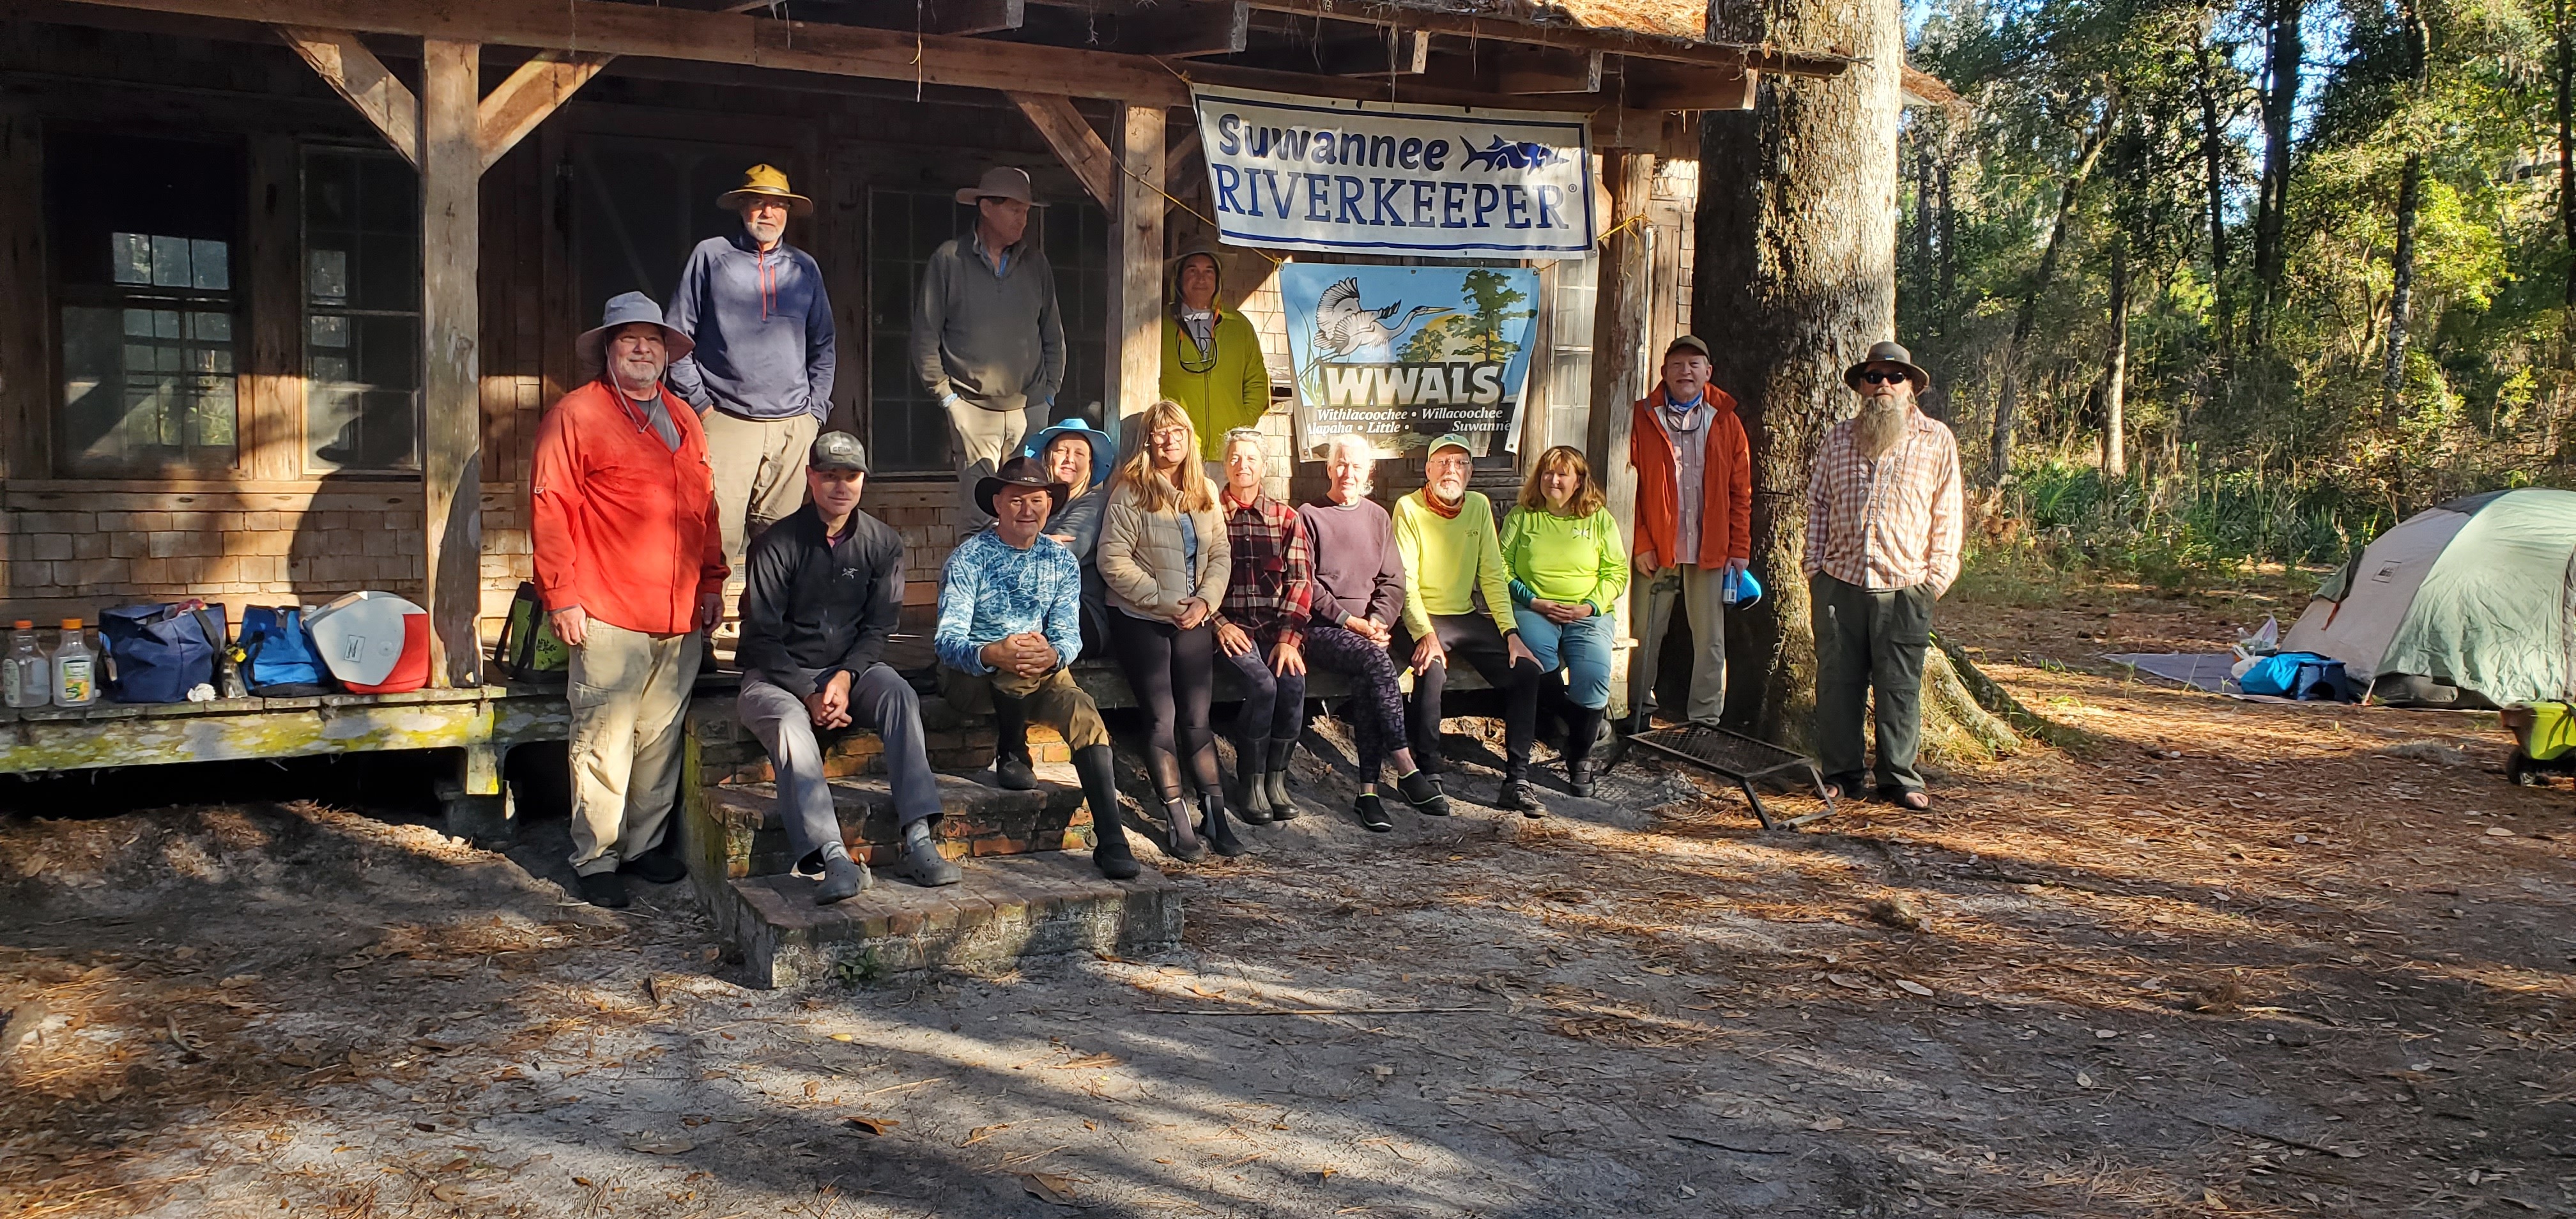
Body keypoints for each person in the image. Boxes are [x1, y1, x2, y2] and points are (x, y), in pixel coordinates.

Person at [531, 292, 728, 908]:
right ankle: (596, 858)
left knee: (658, 740)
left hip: (678, 612)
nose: (643, 350)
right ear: (609, 350)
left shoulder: (685, 418)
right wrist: (561, 597)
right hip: (607, 609)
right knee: (603, 739)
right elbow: (550, 505)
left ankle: (642, 848)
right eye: (629, 339)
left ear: (668, 352)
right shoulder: (577, 414)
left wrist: (714, 581)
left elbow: (706, 509)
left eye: (653, 340)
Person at [735, 432, 960, 903]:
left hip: (848, 671)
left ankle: (918, 837)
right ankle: (832, 856)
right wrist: (807, 691)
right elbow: (762, 636)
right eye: (830, 475)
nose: (841, 486)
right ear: (811, 478)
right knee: (793, 724)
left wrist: (844, 677)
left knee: (899, 693)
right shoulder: (776, 543)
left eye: (851, 476)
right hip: (775, 676)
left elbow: (880, 628)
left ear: (863, 481)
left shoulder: (882, 543)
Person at [934, 456, 1140, 880]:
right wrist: (993, 652)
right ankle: (1012, 749)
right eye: (1016, 500)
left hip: (1042, 670)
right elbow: (947, 642)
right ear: (997, 503)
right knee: (1014, 661)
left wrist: (1053, 654)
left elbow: (1069, 634)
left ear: (1050, 504)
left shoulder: (1060, 561)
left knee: (1083, 710)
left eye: (1037, 500)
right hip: (973, 677)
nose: (1028, 509)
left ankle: (1112, 837)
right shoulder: (968, 559)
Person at [1804, 341, 1963, 810]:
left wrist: (1935, 578)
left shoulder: (1936, 440)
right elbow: (1818, 504)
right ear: (1861, 387)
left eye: (1895, 377)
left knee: (1900, 686)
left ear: (1911, 386)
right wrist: (1815, 567)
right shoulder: (1838, 438)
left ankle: (1899, 778)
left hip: (1907, 583)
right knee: (1837, 684)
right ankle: (1841, 775)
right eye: (1874, 378)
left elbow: (1948, 513)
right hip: (1840, 580)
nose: (1884, 386)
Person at [665, 164, 838, 579]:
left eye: (778, 205)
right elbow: (675, 336)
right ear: (743, 206)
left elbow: (824, 345)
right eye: (759, 202)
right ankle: (698, 641)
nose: (768, 213)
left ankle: (764, 638)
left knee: (779, 544)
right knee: (711, 535)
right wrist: (701, 406)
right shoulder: (711, 256)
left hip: (792, 425)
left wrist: (815, 412)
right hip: (726, 419)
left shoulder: (805, 268)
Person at [1096, 401, 1240, 860]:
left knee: (1199, 717)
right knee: (1163, 717)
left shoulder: (1205, 491)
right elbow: (1112, 562)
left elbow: (1220, 553)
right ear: (1148, 440)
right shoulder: (1130, 491)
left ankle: (1216, 814)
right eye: (1160, 433)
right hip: (1141, 618)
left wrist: (1205, 603)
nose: (1169, 440)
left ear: (1190, 437)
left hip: (1194, 615)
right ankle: (1178, 820)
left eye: (1177, 431)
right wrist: (1167, 602)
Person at [1296, 434, 1448, 829]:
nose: (1348, 473)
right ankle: (1405, 764)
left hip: (1369, 631)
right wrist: (1354, 624)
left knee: (1370, 675)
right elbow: (1306, 585)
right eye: (1341, 464)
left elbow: (1393, 580)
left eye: (1357, 466)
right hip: (1323, 628)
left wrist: (1379, 621)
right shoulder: (1309, 515)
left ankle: (1367, 794)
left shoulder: (1378, 517)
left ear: (1369, 473)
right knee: (1376, 662)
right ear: (1329, 469)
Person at [1393, 434, 1545, 813]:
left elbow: (1492, 574)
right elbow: (1405, 580)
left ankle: (1518, 779)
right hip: (1421, 614)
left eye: (1459, 463)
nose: (1451, 471)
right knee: (1432, 670)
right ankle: (1428, 771)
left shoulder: (1478, 506)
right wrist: (1424, 633)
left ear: (1470, 472)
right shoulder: (1408, 508)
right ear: (1427, 470)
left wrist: (1511, 633)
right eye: (1442, 463)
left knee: (1525, 670)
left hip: (1462, 615)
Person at [913, 166, 1066, 523]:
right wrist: (948, 399)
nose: (1023, 219)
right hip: (972, 407)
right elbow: (925, 335)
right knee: (979, 515)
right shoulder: (949, 260)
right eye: (1015, 209)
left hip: (1029, 408)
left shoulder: (1036, 263)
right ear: (986, 207)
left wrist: (1048, 396)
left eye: (1026, 211)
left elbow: (1053, 335)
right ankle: (975, 580)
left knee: (1027, 514)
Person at [1627, 335, 1751, 731]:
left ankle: (1705, 720)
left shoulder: (1726, 420)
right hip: (1656, 548)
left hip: (1710, 547)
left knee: (1710, 640)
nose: (1686, 372)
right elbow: (1628, 485)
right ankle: (1637, 711)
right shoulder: (1642, 417)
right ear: (1664, 372)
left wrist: (1739, 548)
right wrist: (1641, 542)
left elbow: (1741, 492)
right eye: (1678, 365)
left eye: (1695, 365)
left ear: (1708, 372)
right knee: (1645, 632)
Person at [1501, 446, 1628, 798]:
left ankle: (1580, 756)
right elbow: (1501, 567)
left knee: (1593, 676)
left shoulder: (1598, 519)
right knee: (1536, 659)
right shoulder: (1523, 516)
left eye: (1562, 474)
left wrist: (1588, 607)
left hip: (1586, 613)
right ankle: (1574, 727)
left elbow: (1616, 573)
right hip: (1536, 609)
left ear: (1579, 481)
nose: (1553, 480)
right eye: (1547, 473)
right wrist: (1533, 600)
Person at [1210, 428, 1310, 826]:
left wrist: (1289, 640)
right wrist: (1216, 623)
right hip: (1229, 627)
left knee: (1293, 683)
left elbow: (1302, 581)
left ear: (1264, 466)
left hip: (1274, 629)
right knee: (1262, 685)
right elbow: (1188, 577)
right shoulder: (1208, 513)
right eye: (1235, 458)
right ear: (1225, 464)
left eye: (1251, 458)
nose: (1242, 466)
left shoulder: (1286, 518)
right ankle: (1249, 782)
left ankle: (1276, 778)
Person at [1160, 250, 1269, 463]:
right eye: (1193, 271)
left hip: (1227, 455)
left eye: (1209, 272)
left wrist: (1242, 424)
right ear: (1179, 278)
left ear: (1218, 281)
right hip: (1176, 451)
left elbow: (1257, 381)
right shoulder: (1158, 325)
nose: (1201, 278)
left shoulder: (1239, 326)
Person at [1021, 418, 1117, 650]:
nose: (1069, 460)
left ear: (1091, 464)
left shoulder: (1093, 502)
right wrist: (1043, 542)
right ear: (1047, 458)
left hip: (1080, 615)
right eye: (1062, 451)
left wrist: (1025, 541)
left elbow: (1063, 555)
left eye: (1079, 454)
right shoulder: (1034, 504)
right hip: (1034, 606)